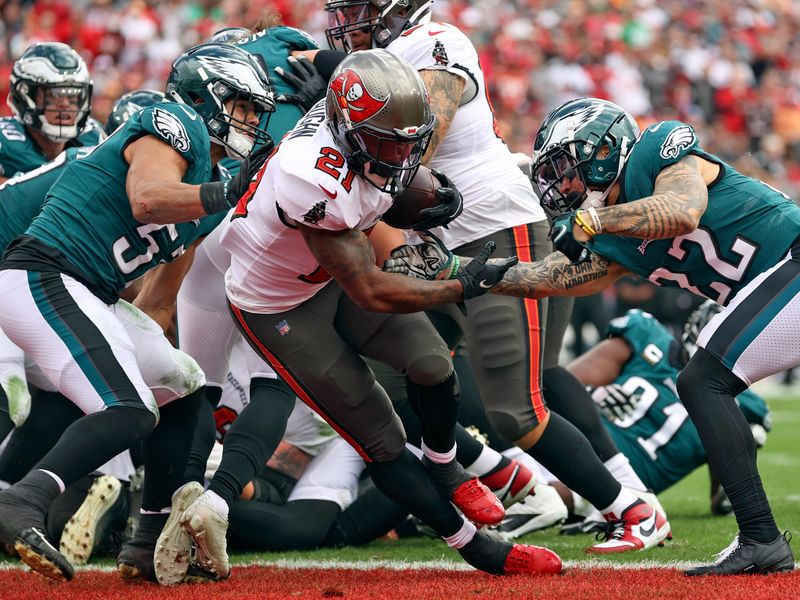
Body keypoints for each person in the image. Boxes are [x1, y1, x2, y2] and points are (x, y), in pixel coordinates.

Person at [163, 48, 559, 584]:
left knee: (432, 362)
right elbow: (371, 289)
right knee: (381, 435)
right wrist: (459, 283)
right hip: (280, 305)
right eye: (385, 143)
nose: (400, 156)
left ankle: (445, 463)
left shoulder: (360, 127)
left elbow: (350, 73)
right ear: (349, 133)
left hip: (326, 277)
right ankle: (476, 547)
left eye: (406, 142)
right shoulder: (312, 180)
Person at [388, 97, 798, 575]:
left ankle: (761, 539)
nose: (563, 185)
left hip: (791, 262)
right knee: (705, 380)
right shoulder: (614, 231)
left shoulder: (658, 153)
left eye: (567, 168)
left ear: (603, 150)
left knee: (703, 380)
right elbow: (548, 277)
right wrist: (460, 270)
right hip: (781, 288)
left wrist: (593, 222)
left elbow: (682, 211)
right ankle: (760, 540)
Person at [320, 0, 669, 555]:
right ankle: (516, 483)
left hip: (495, 234)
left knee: (515, 408)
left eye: (359, 9)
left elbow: (414, 146)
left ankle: (631, 508)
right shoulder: (386, 58)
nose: (348, 23)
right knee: (383, 387)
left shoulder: (432, 43)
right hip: (438, 248)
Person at [0, 42, 275, 583]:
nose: (250, 120)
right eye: (242, 105)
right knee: (128, 407)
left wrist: (145, 353)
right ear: (208, 96)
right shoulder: (174, 121)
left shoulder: (205, 195)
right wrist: (223, 192)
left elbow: (155, 305)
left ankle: (147, 541)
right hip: (42, 273)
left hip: (88, 291)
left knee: (181, 385)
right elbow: (148, 197)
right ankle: (21, 498)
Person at [560, 303, 770, 533]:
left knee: (553, 496)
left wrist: (745, 441)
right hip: (575, 451)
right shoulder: (647, 335)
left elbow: (721, 501)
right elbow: (561, 386)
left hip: (613, 488)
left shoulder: (746, 404)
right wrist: (593, 393)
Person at [1, 42, 103, 183]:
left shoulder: (93, 137)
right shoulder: (5, 142)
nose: (66, 104)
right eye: (53, 95)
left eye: (73, 96)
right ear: (25, 95)